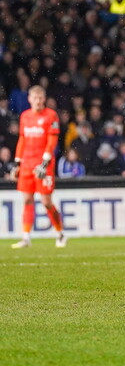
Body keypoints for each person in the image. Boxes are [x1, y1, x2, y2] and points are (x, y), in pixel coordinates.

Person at [11, 86, 66, 249]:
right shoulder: (25, 116)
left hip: (43, 164)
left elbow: (52, 140)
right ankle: (26, 237)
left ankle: (60, 233)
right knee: (27, 199)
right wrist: (17, 162)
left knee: (46, 202)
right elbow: (22, 139)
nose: (38, 101)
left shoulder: (51, 115)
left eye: (40, 98)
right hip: (27, 163)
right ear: (29, 99)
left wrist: (45, 161)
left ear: (44, 99)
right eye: (35, 98)